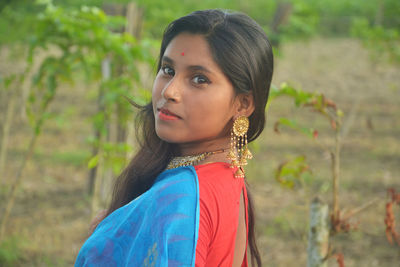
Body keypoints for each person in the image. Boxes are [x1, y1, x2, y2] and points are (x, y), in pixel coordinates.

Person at [75, 8, 273, 267]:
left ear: (243, 105)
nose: (170, 91)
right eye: (168, 70)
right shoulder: (227, 174)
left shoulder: (183, 195)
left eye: (199, 79)